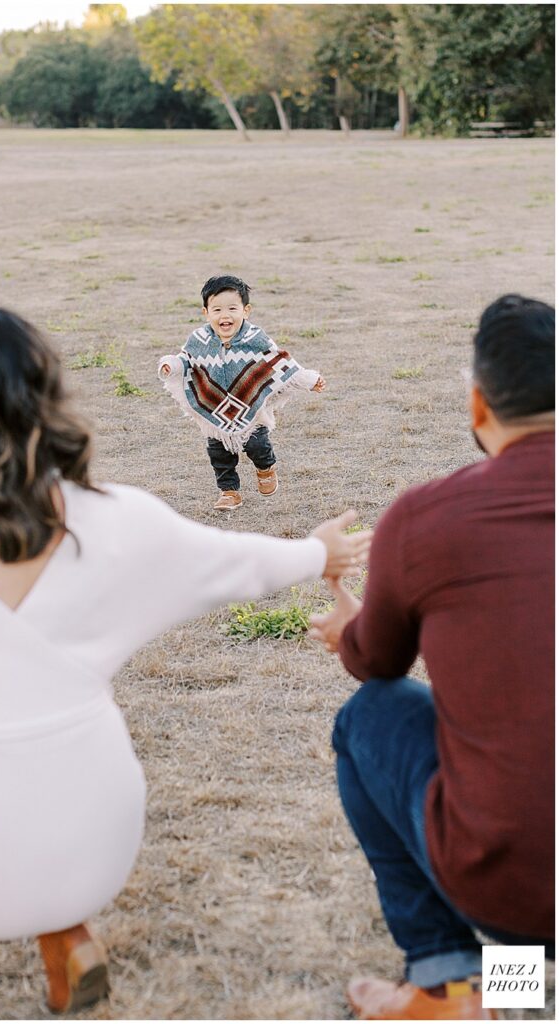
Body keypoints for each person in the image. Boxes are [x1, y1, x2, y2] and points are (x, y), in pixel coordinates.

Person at [0, 307, 371, 1020]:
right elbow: (241, 562)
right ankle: (65, 933)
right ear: (51, 402)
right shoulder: (116, 519)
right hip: (96, 850)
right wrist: (319, 552)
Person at [309, 294, 554, 1021]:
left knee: (370, 718)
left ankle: (450, 983)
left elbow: (375, 664)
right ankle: (516, 984)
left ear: (479, 405)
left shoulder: (427, 517)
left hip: (515, 888)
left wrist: (349, 629)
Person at [158, 274, 326, 511]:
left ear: (246, 311)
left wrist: (309, 379)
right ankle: (229, 491)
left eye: (232, 308)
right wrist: (171, 365)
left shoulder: (255, 338)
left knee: (257, 444)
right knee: (218, 453)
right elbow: (185, 360)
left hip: (251, 410)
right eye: (216, 309)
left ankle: (266, 467)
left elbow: (279, 362)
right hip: (215, 411)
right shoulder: (199, 339)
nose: (224, 315)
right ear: (205, 313)